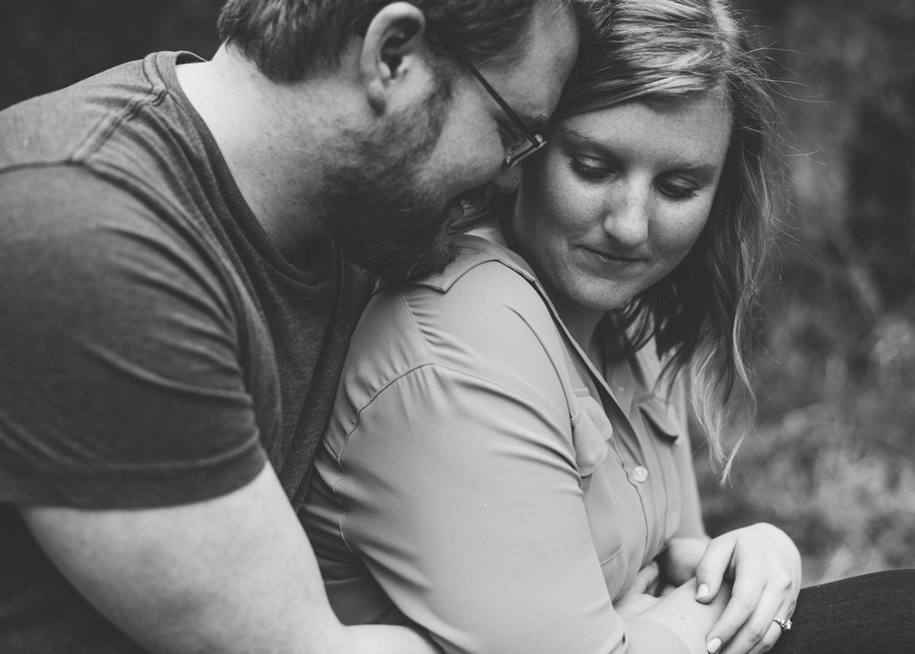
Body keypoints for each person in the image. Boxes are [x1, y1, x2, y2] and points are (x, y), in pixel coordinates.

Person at [300, 0, 915, 653]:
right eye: (592, 168)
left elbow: (667, 561)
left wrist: (754, 552)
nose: (630, 225)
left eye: (679, 188)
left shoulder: (628, 321)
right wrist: (702, 602)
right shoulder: (465, 338)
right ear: (523, 148)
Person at [0, 0, 596, 652]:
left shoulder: (356, 213)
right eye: (512, 133)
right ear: (391, 55)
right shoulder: (87, 242)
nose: (513, 181)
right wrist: (677, 628)